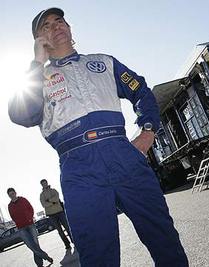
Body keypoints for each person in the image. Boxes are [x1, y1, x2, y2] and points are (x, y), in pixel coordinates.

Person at [8, 8, 188, 267]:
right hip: (79, 169)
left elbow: (141, 92)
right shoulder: (37, 80)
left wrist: (147, 131)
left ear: (69, 27)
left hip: (124, 156)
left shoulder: (104, 62)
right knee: (98, 256)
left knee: (164, 239)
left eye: (59, 21)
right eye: (46, 26)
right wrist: (36, 64)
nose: (55, 26)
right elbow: (20, 114)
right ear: (39, 40)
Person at [7, 188, 53, 267]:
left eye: (13, 193)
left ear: (15, 193)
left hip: (30, 224)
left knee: (35, 244)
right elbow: (12, 216)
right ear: (9, 196)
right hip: (21, 228)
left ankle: (39, 264)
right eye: (10, 195)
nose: (12, 196)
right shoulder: (10, 206)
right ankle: (45, 256)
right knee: (30, 245)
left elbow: (30, 208)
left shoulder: (23, 200)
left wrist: (30, 218)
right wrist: (18, 222)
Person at [39, 179, 72, 249]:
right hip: (51, 215)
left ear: (47, 183)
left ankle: (73, 240)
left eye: (45, 183)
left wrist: (48, 200)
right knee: (60, 231)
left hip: (60, 211)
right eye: (43, 184)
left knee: (67, 227)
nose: (44, 184)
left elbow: (57, 198)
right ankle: (67, 244)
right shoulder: (41, 195)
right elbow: (44, 204)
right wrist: (53, 202)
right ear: (41, 185)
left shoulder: (53, 190)